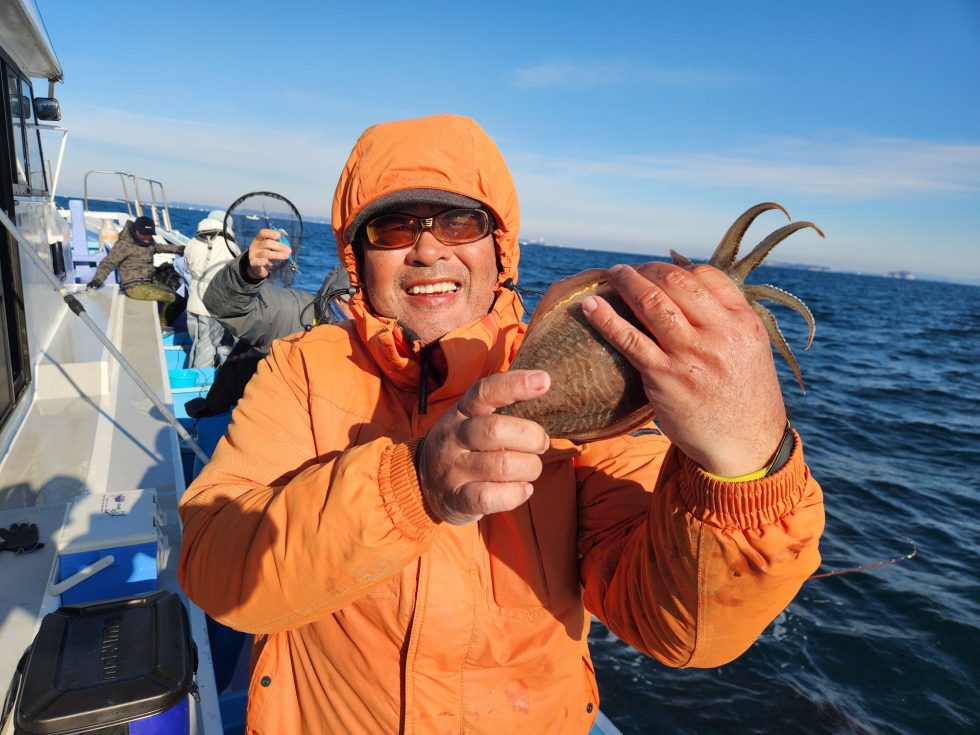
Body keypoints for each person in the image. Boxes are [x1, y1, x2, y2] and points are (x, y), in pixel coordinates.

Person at [178, 114, 825, 734]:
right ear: (357, 256)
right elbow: (215, 568)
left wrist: (742, 470)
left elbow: (679, 626)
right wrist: (413, 486)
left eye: (459, 221)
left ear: (499, 246)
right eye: (393, 228)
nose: (428, 248)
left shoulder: (578, 414)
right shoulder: (304, 369)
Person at [86, 215, 186, 326]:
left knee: (180, 300)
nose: (146, 237)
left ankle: (162, 320)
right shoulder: (124, 245)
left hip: (150, 282)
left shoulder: (148, 242)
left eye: (149, 235)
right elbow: (107, 263)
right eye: (143, 234)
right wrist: (97, 281)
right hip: (134, 287)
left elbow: (159, 247)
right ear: (135, 230)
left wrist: (179, 249)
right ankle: (162, 326)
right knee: (173, 299)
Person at [183, 216, 238, 367]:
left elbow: (186, 264)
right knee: (207, 346)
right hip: (214, 303)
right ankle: (199, 384)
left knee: (196, 341)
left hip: (193, 301)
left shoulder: (192, 241)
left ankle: (190, 374)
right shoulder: (230, 246)